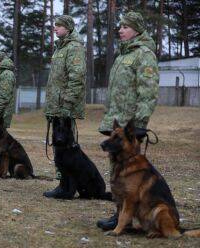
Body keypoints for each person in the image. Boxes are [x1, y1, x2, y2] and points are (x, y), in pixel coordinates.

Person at [96, 12, 159, 230]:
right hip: (117, 122)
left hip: (130, 126)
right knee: (116, 173)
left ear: (137, 29)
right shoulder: (123, 55)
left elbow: (148, 91)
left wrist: (140, 123)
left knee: (129, 175)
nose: (121, 30)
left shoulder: (144, 55)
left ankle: (127, 218)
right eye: (120, 27)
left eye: (125, 27)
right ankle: (121, 215)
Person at [42, 15, 86, 199]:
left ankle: (69, 186)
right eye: (55, 25)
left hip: (65, 107)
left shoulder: (74, 47)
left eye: (59, 26)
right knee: (59, 148)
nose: (55, 28)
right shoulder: (60, 47)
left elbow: (76, 77)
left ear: (68, 28)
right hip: (56, 106)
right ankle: (64, 183)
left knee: (67, 147)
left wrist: (67, 103)